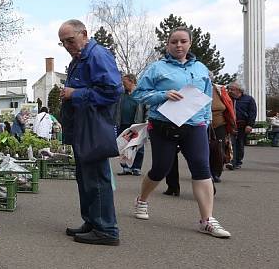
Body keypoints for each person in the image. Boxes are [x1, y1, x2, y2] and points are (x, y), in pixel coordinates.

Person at [131, 26, 230, 238]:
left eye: (183, 41)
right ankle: (142, 200)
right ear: (167, 44)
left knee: (202, 168)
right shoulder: (156, 68)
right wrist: (162, 95)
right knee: (160, 169)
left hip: (194, 126)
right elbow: (138, 94)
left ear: (189, 44)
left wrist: (207, 123)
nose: (178, 45)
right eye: (174, 41)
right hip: (163, 125)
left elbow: (206, 100)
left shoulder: (202, 69)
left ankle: (207, 220)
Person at [59, 19, 123, 246]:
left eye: (70, 40)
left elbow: (113, 91)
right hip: (84, 126)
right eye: (63, 43)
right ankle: (93, 221)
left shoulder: (97, 55)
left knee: (96, 177)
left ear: (84, 34)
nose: (67, 46)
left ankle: (106, 228)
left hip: (93, 127)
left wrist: (74, 94)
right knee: (86, 177)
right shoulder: (81, 58)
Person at [115, 73, 147, 176]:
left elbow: (147, 107)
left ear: (132, 81)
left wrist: (146, 120)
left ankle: (136, 167)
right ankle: (125, 168)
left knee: (137, 146)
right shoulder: (121, 95)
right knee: (123, 146)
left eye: (125, 82)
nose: (123, 84)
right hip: (123, 124)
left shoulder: (140, 93)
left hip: (137, 125)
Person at [226, 82, 257, 170]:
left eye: (232, 89)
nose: (230, 91)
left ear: (239, 90)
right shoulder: (228, 98)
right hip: (231, 125)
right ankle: (232, 162)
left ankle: (238, 161)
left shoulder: (249, 99)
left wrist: (250, 125)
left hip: (242, 125)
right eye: (229, 89)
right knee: (231, 143)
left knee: (239, 143)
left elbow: (252, 113)